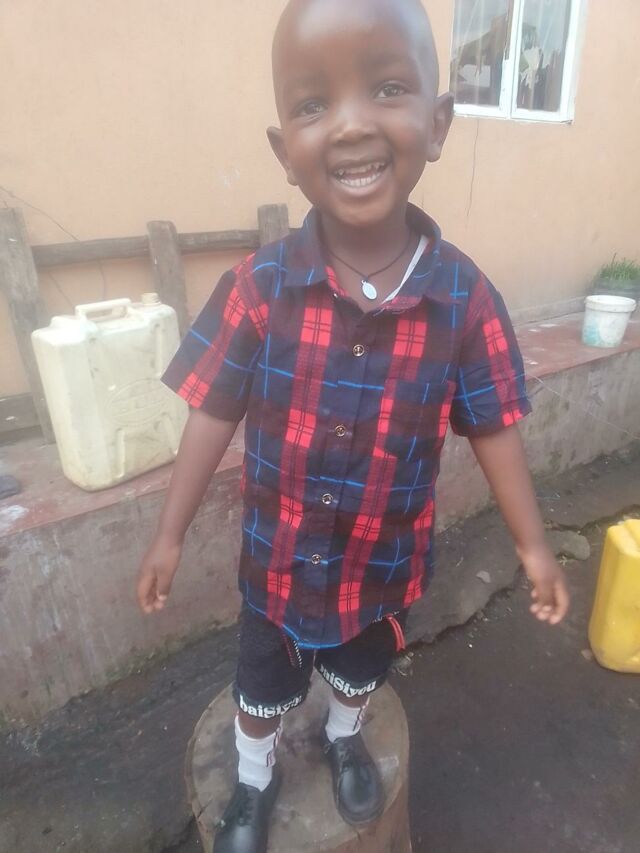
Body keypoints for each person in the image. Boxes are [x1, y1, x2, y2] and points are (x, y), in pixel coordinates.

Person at [136, 1, 570, 851]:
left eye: (387, 88)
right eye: (313, 103)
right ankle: (253, 782)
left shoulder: (465, 299)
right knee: (260, 687)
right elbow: (212, 411)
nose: (350, 124)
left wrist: (533, 546)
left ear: (438, 124)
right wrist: (169, 532)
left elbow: (494, 427)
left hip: (382, 563)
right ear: (284, 152)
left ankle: (343, 736)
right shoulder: (258, 287)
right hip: (278, 565)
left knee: (359, 670)